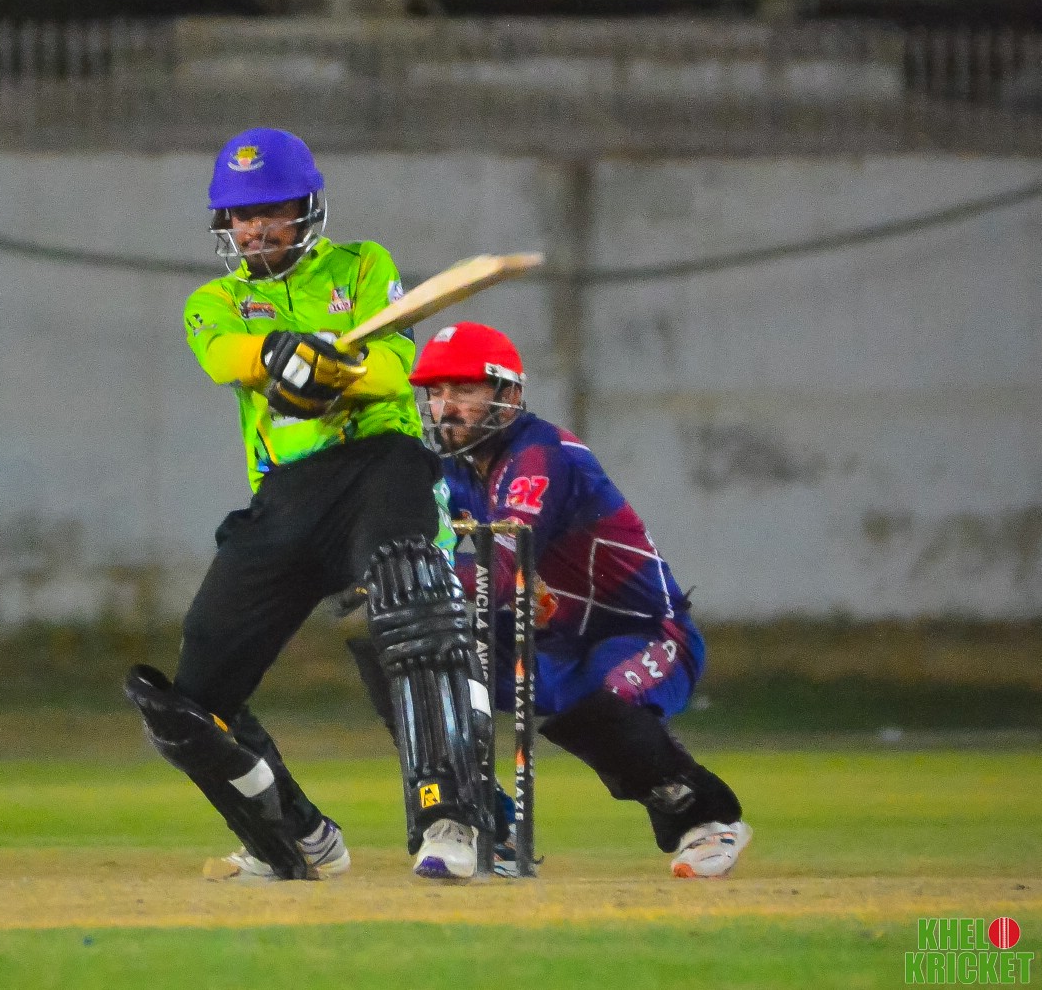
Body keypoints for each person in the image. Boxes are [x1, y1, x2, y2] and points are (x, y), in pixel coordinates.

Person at [124, 127, 494, 883]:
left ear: (306, 209)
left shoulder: (363, 266)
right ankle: (297, 836)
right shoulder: (216, 301)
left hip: (381, 469)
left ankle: (449, 820)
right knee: (192, 697)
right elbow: (223, 357)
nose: (254, 228)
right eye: (240, 215)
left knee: (412, 619)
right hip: (286, 493)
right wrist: (277, 353)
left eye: (271, 210)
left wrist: (337, 367)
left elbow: (397, 366)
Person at [408, 320, 752, 879]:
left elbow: (503, 572)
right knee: (410, 657)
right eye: (436, 392)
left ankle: (707, 820)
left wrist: (415, 572)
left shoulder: (541, 454)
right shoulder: (454, 471)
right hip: (549, 645)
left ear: (508, 396)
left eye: (464, 390)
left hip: (643, 633)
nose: (445, 407)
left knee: (597, 709)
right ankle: (481, 821)